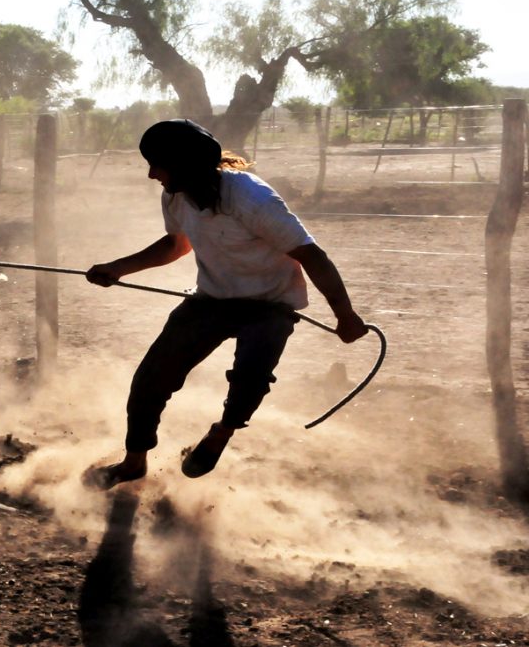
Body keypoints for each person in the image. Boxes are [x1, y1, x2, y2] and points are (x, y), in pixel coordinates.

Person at [85, 119, 368, 488]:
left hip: (271, 304)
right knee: (151, 378)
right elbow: (177, 244)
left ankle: (220, 434)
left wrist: (345, 316)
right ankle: (134, 462)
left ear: (186, 164)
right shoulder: (175, 194)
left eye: (158, 164)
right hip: (212, 299)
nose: (152, 174)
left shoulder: (253, 199)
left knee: (250, 380)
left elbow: (312, 256)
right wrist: (118, 268)